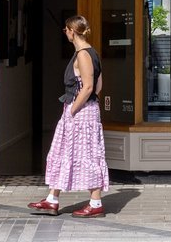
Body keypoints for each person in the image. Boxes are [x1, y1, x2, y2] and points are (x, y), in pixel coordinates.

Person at [27, 15, 110, 218]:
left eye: (66, 30)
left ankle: (95, 202)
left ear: (72, 31)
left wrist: (73, 110)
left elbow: (89, 86)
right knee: (64, 151)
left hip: (80, 111)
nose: (65, 33)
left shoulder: (83, 54)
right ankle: (52, 199)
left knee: (87, 155)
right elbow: (98, 86)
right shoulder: (92, 53)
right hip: (84, 109)